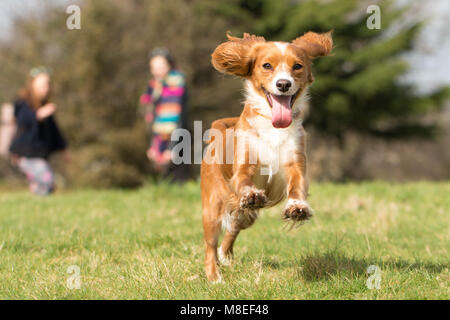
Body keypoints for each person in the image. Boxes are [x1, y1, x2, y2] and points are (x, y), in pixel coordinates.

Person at [9, 67, 68, 195]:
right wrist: (39, 115)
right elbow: (22, 119)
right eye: (43, 85)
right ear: (32, 85)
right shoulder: (23, 103)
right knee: (47, 180)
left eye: (48, 84)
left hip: (40, 154)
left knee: (43, 183)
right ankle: (40, 201)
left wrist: (63, 148)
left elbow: (55, 131)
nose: (46, 88)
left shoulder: (44, 105)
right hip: (25, 153)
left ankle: (37, 203)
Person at [140, 48, 190, 182]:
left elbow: (179, 117)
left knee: (179, 180)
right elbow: (153, 118)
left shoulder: (177, 83)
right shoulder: (154, 87)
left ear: (170, 65)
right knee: (164, 180)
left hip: (178, 138)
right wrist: (154, 146)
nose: (157, 70)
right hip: (159, 139)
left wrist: (172, 147)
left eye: (161, 66)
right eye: (154, 67)